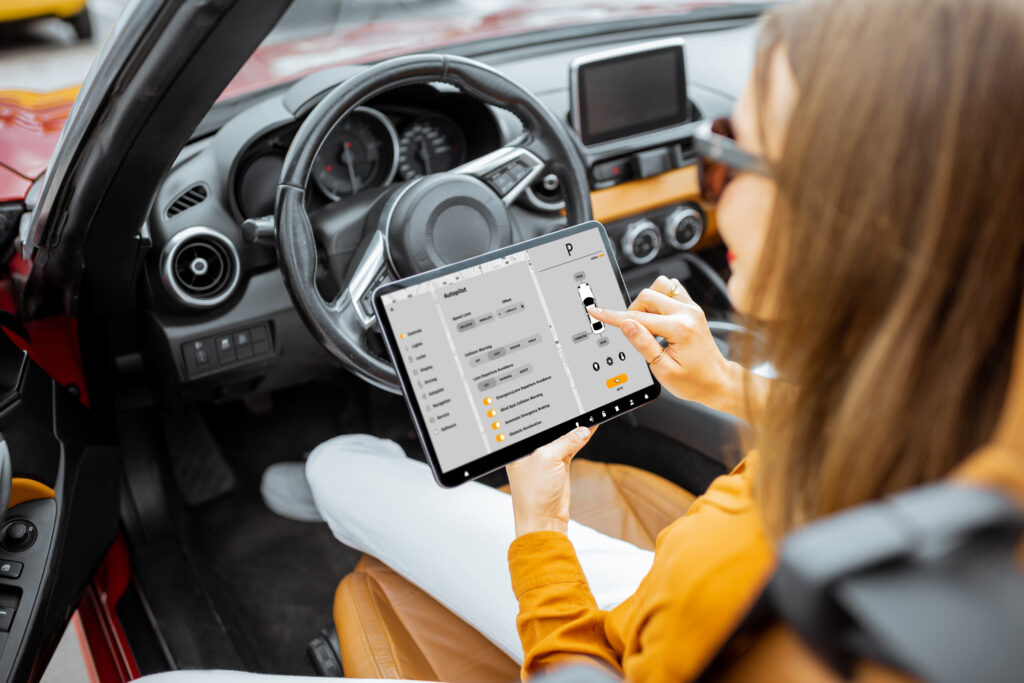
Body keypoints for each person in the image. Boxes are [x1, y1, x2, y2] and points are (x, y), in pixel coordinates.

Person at [159, 0, 1024, 680]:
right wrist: (728, 385)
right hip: (696, 581)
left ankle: (343, 492)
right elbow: (907, 425)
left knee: (337, 461)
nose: (711, 195)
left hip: (647, 621)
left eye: (726, 155)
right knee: (351, 469)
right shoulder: (980, 404)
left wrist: (540, 520)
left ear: (856, 218)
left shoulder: (814, 621)